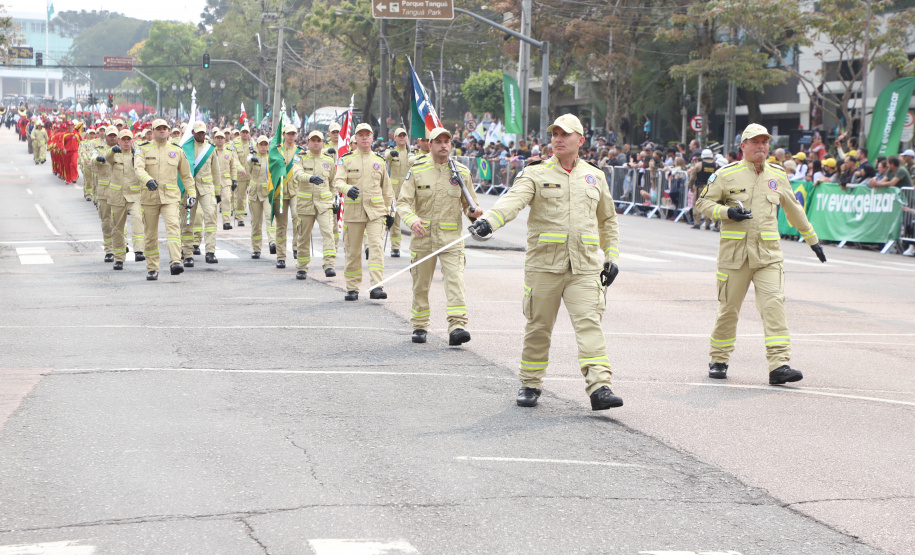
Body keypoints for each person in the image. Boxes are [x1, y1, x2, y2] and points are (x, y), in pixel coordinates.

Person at [468, 114, 623, 411]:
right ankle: (530, 383)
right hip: (544, 266)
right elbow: (512, 202)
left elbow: (608, 221)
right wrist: (489, 222)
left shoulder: (595, 176)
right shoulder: (535, 174)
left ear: (581, 139)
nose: (558, 139)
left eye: (565, 134)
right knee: (539, 326)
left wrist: (612, 256)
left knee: (590, 324)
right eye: (554, 134)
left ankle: (600, 387)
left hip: (585, 267)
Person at [695, 123, 827, 384]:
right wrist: (726, 212)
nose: (761, 146)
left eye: (764, 142)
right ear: (742, 146)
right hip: (735, 255)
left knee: (773, 305)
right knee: (729, 309)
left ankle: (779, 365)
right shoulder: (726, 174)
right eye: (755, 142)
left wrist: (812, 240)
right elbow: (702, 203)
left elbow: (794, 209)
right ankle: (719, 358)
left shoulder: (777, 175)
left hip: (768, 255)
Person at [397, 127, 482, 345]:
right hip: (423, 236)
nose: (443, 145)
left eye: (447, 141)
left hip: (451, 237)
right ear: (430, 144)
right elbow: (403, 203)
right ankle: (419, 325)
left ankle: (457, 326)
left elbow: (469, 205)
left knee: (455, 281)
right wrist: (412, 220)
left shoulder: (461, 172)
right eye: (438, 141)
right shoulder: (417, 170)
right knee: (421, 284)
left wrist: (474, 214)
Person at [333, 123, 394, 301]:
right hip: (353, 211)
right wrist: (346, 188)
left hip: (376, 212)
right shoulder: (346, 160)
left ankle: (376, 286)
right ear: (356, 138)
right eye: (361, 135)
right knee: (353, 251)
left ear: (372, 137)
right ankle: (352, 287)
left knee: (375, 248)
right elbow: (338, 181)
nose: (365, 138)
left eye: (368, 135)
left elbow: (387, 190)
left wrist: (391, 213)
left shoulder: (380, 161)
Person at [134, 119, 197, 280]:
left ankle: (176, 261)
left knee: (173, 228)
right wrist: (147, 179)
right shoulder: (143, 150)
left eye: (165, 129)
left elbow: (186, 176)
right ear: (153, 131)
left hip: (170, 197)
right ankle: (152, 268)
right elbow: (138, 169)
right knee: (150, 234)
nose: (162, 131)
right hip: (149, 197)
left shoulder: (177, 151)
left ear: (169, 132)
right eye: (158, 129)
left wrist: (191, 194)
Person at [293, 130, 338, 280]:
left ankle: (329, 264)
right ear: (308, 142)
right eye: (313, 140)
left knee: (328, 233)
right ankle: (302, 267)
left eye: (319, 140)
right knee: (303, 236)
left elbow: (333, 183)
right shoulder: (300, 158)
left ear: (323, 143)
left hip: (324, 204)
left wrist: (333, 200)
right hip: (305, 204)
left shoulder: (329, 161)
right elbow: (297, 174)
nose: (316, 143)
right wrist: (310, 178)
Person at [181, 122, 221, 266]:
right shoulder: (185, 148)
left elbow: (216, 171)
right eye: (198, 132)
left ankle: (210, 252)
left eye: (202, 132)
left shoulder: (210, 149)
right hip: (189, 189)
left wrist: (218, 192)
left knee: (211, 217)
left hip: (207, 188)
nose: (200, 135)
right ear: (193, 133)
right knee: (187, 221)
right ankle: (187, 254)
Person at [106, 129, 145, 269]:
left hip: (134, 196)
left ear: (132, 140)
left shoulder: (137, 155)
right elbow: (107, 158)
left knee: (137, 220)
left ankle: (139, 250)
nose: (126, 142)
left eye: (129, 139)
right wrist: (112, 150)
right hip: (117, 197)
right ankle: (119, 258)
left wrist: (138, 151)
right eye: (124, 139)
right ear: (119, 141)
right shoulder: (114, 155)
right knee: (117, 228)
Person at [273, 125, 303, 268]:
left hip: (296, 190)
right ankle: (281, 256)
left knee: (298, 219)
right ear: (283, 134)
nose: (291, 137)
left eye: (293, 134)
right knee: (281, 225)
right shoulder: (277, 151)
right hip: (280, 191)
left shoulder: (300, 152)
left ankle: (296, 248)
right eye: (288, 134)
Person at [385, 128, 414, 257]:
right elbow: (386, 156)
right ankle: (395, 247)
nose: (402, 138)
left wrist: (412, 154)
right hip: (395, 189)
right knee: (395, 218)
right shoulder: (390, 151)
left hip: (409, 189)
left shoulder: (412, 152)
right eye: (399, 136)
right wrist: (392, 154)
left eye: (404, 136)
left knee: (413, 217)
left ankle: (415, 245)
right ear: (395, 138)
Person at [244, 135, 274, 259]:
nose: (263, 147)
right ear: (257, 146)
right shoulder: (252, 156)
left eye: (265, 144)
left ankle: (273, 242)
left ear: (268, 146)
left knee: (270, 218)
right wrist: (252, 160)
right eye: (261, 144)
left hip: (267, 193)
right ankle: (256, 249)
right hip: (255, 193)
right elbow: (248, 162)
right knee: (256, 223)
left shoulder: (271, 158)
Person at [93, 126, 119, 262]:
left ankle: (121, 245)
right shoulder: (99, 149)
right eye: (110, 135)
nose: (112, 137)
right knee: (107, 221)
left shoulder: (123, 150)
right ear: (106, 137)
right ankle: (109, 249)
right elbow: (93, 160)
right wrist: (99, 159)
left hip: (120, 191)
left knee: (120, 221)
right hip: (104, 192)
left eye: (115, 135)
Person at [691, 149, 717, 230]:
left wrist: (690, 185)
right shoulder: (715, 165)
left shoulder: (699, 165)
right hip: (711, 188)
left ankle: (697, 223)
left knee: (696, 204)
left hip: (700, 187)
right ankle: (707, 224)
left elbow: (692, 177)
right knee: (708, 205)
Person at [233, 126, 252, 226]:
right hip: (241, 175)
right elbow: (234, 159)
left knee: (253, 198)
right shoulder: (236, 145)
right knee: (240, 197)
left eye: (246, 132)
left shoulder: (253, 144)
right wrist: (240, 168)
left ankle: (255, 216)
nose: (245, 134)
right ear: (240, 133)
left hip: (252, 175)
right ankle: (240, 217)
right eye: (243, 132)